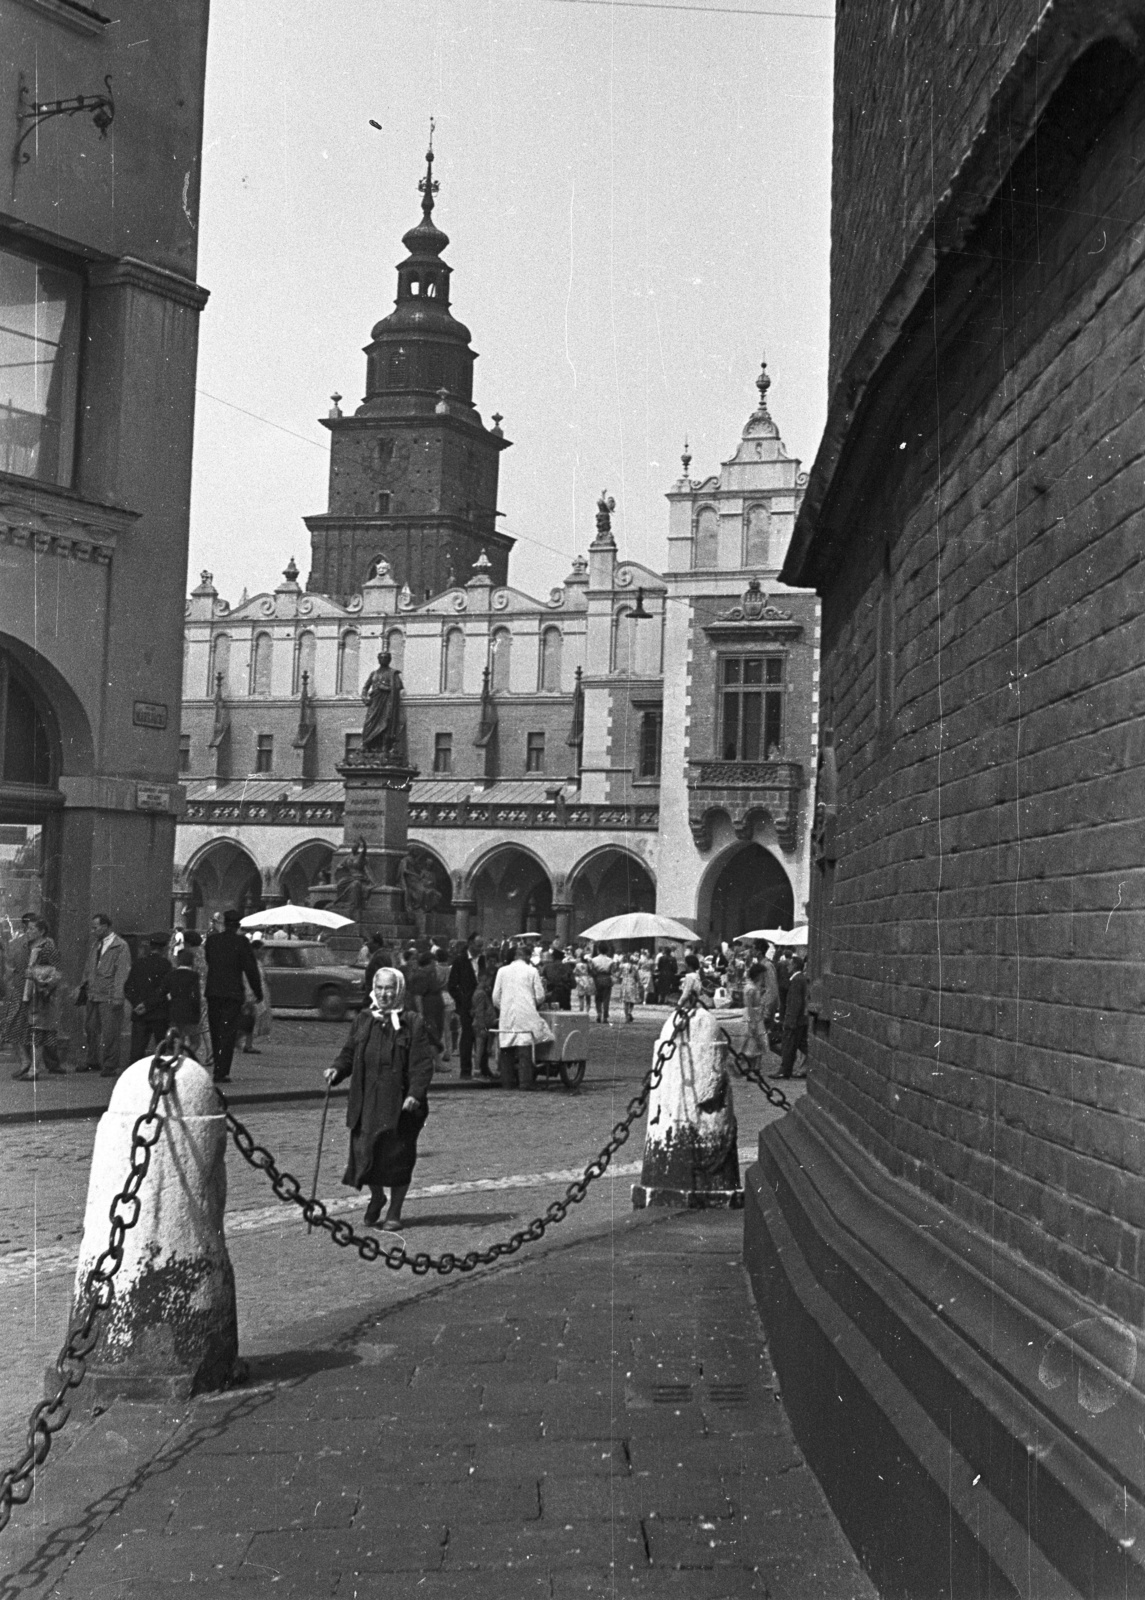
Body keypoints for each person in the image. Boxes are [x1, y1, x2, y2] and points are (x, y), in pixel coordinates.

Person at [323, 966, 434, 1231]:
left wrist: (415, 1095)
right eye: (380, 988)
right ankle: (377, 1195)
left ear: (399, 991)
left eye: (390, 989)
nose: (384, 994)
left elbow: (422, 1065)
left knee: (397, 1158)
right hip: (366, 1102)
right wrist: (337, 1069)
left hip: (399, 1106)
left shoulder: (412, 1021)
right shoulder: (363, 1019)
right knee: (365, 1154)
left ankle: (394, 1211)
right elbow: (349, 1052)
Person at [204, 909, 263, 1084]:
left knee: (215, 1030)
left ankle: (216, 1066)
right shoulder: (242, 942)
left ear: (224, 923)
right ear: (238, 925)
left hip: (213, 991)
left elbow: (209, 961)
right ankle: (221, 1071)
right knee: (228, 1032)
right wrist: (257, 991)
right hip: (232, 993)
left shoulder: (212, 941)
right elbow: (250, 969)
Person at [79, 913, 132, 1076]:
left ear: (106, 926)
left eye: (96, 927)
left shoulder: (120, 946)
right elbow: (89, 968)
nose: (93, 931)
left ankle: (110, 1064)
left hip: (109, 995)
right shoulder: (96, 945)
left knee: (110, 1032)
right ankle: (92, 1060)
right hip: (93, 994)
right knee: (91, 1029)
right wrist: (83, 986)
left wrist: (118, 995)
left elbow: (122, 972)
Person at [14, 918, 65, 1080]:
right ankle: (33, 1068)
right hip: (31, 995)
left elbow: (56, 972)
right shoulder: (30, 947)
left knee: (39, 1033)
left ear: (41, 931)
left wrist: (39, 979)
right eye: (27, 929)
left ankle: (35, 1070)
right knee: (33, 1032)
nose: (28, 932)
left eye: (31, 929)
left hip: (43, 996)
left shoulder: (47, 947)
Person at [491, 943, 548, 1090]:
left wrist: (503, 1007)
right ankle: (525, 1083)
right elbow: (540, 996)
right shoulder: (532, 971)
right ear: (527, 957)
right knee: (525, 1048)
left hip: (507, 1014)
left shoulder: (502, 971)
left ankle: (507, 1083)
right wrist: (532, 1003)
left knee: (506, 1048)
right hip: (526, 1013)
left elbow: (495, 996)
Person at [124, 932, 173, 1061]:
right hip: (159, 1014)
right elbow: (164, 990)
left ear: (150, 947)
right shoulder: (166, 965)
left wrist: (137, 1004)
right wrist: (148, 1005)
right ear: (164, 948)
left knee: (136, 1052)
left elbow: (128, 987)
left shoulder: (138, 964)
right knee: (161, 1052)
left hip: (139, 1013)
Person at [446, 934, 485, 1079]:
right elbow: (452, 986)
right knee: (467, 1036)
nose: (480, 949)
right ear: (470, 944)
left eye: (481, 946)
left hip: (481, 1005)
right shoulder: (460, 961)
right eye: (477, 945)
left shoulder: (482, 960)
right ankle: (465, 1069)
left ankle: (482, 1067)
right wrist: (462, 1001)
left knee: (482, 1036)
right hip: (466, 1005)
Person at [360, 650, 408, 762]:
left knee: (386, 724)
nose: (383, 659)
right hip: (374, 703)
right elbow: (365, 687)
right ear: (378, 659)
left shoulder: (393, 674)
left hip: (387, 704)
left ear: (389, 659)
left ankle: (384, 748)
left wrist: (385, 688)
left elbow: (398, 687)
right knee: (369, 723)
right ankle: (367, 746)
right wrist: (364, 697)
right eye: (381, 657)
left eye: (386, 658)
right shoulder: (374, 674)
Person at [0, 911, 37, 1054]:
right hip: (20, 987)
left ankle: (39, 1063)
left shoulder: (43, 943)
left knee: (36, 1025)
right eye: (28, 927)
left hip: (36, 989)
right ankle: (25, 1061)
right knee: (17, 1023)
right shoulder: (18, 944)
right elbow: (10, 966)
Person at [164, 949, 204, 1059]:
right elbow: (195, 996)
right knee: (195, 1041)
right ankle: (186, 1058)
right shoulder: (193, 975)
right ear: (192, 961)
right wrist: (197, 1013)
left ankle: (177, 1057)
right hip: (190, 1012)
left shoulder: (171, 975)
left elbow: (164, 992)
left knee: (178, 1039)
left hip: (174, 1012)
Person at [774, 955, 809, 1080]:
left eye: (789, 964)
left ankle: (785, 1070)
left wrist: (790, 1020)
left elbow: (795, 1002)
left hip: (794, 1020)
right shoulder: (801, 979)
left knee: (789, 1045)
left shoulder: (796, 980)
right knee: (802, 1045)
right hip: (800, 1020)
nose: (787, 966)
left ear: (794, 966)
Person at [407, 948, 446, 1058]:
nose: (435, 966)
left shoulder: (429, 975)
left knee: (435, 1035)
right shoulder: (421, 976)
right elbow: (418, 996)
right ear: (428, 963)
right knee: (431, 1037)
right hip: (428, 1012)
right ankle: (437, 1062)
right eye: (433, 963)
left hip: (434, 1012)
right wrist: (421, 1013)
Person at [470, 971, 497, 1079]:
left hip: (481, 1023)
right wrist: (482, 1027)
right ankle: (477, 1070)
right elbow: (480, 1011)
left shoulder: (479, 992)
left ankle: (477, 1070)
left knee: (480, 1048)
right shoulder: (481, 994)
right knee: (480, 1048)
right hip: (481, 1024)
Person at [541, 946, 574, 1011]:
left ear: (553, 957)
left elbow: (543, 981)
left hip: (552, 993)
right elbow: (573, 983)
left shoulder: (547, 967)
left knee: (553, 1013)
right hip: (565, 993)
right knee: (565, 1014)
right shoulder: (568, 967)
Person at [590, 943, 614, 1024]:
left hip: (598, 979)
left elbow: (592, 970)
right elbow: (612, 971)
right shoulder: (611, 960)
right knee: (606, 998)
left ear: (598, 950)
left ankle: (599, 1014)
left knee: (598, 998)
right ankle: (605, 1017)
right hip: (607, 978)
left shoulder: (593, 960)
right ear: (607, 950)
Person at [617, 954, 641, 1024]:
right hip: (632, 983)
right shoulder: (635, 967)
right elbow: (637, 978)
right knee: (632, 1000)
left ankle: (626, 1016)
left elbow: (618, 975)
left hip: (624, 983)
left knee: (625, 1001)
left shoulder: (622, 966)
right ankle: (630, 1012)